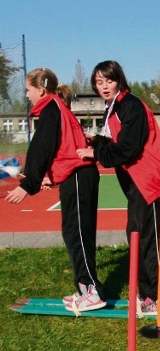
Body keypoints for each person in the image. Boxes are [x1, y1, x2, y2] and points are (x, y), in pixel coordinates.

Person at [77, 60, 160, 315]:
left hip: (152, 181)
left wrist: (95, 153)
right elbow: (116, 142)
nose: (104, 87)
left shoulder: (130, 105)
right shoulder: (112, 107)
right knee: (135, 237)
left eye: (108, 81)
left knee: (151, 242)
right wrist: (98, 141)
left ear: (119, 80)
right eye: (99, 82)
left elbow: (128, 148)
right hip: (136, 183)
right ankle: (146, 295)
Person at [5, 68, 105, 312]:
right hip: (76, 175)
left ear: (40, 89)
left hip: (80, 176)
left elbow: (43, 146)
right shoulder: (56, 107)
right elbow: (63, 148)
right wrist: (50, 176)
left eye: (28, 90)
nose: (26, 95)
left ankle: (91, 291)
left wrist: (28, 184)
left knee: (77, 233)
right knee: (73, 233)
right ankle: (85, 288)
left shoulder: (51, 108)